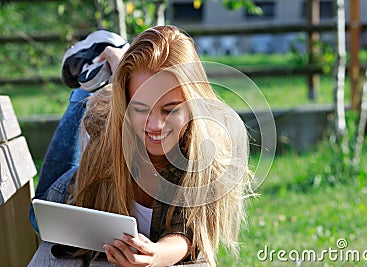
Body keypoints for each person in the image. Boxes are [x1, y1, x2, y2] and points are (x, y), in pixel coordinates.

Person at [29, 25, 252, 267]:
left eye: (170, 109)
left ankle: (118, 63)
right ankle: (95, 68)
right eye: (141, 109)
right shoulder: (108, 121)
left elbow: (189, 234)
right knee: (37, 219)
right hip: (76, 181)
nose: (155, 124)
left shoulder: (208, 154)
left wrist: (155, 255)